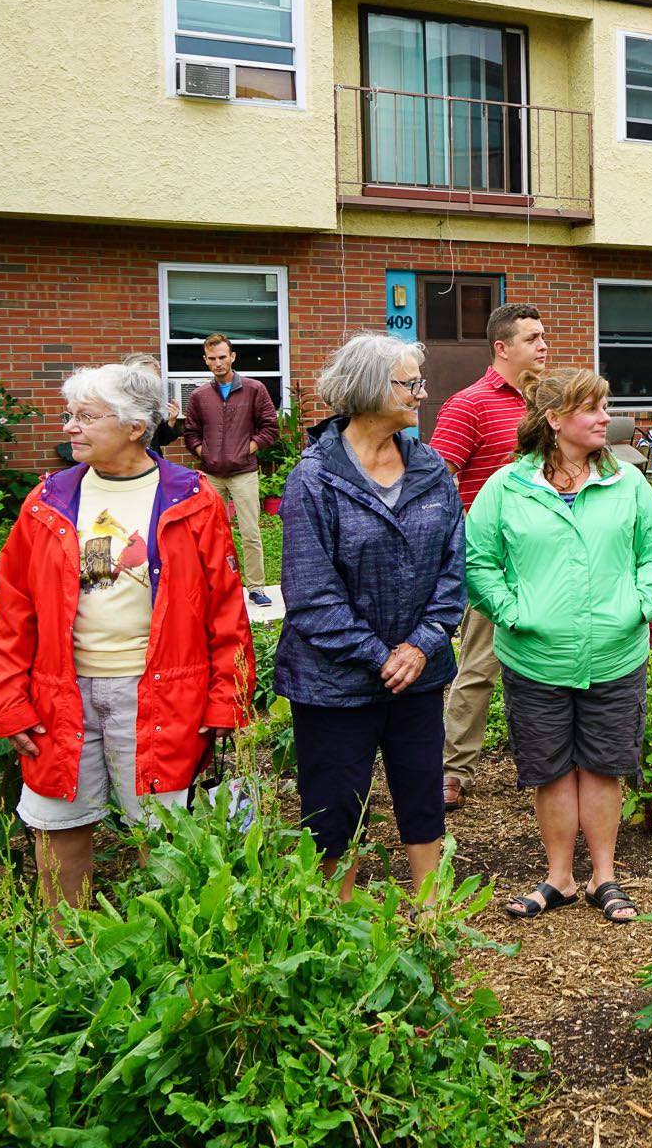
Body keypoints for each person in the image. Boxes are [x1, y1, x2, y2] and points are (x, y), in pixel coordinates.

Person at [0, 361, 252, 910]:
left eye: (86, 416)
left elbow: (225, 611)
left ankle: (169, 964)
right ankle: (67, 958)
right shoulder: (48, 501)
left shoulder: (192, 498)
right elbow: (14, 610)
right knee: (60, 828)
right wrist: (7, 700)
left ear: (134, 426)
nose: (70, 428)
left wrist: (227, 702)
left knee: (165, 837)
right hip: (63, 694)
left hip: (160, 694)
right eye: (69, 415)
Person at [465, 369, 652, 923]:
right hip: (536, 656)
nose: (606, 417)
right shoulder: (507, 486)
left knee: (606, 765)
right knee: (550, 767)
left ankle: (604, 876)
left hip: (614, 651)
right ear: (555, 419)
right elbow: (478, 561)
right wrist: (513, 613)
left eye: (606, 406)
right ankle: (559, 877)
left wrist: (640, 603)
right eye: (593, 409)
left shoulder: (627, 482)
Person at [273, 334, 464, 903]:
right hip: (334, 683)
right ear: (369, 389)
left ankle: (434, 919)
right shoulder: (314, 477)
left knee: (422, 796)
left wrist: (422, 645)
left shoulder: (431, 470)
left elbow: (455, 569)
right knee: (335, 811)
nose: (422, 394)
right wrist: (383, 656)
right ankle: (342, 931)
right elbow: (311, 594)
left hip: (419, 676)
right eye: (410, 384)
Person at [429, 302, 547, 811]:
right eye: (532, 339)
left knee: (549, 665)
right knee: (480, 664)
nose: (543, 346)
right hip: (495, 561)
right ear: (502, 347)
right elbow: (435, 482)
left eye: (544, 336)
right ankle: (453, 770)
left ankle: (549, 763)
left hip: (551, 557)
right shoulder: (469, 404)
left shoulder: (548, 404)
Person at [182, 333, 279, 608]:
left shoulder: (254, 389)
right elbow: (190, 433)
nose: (218, 362)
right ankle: (219, 587)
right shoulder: (200, 395)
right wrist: (206, 453)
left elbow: (270, 427)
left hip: (244, 473)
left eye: (222, 357)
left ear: (232, 357)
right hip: (212, 474)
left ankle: (256, 588)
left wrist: (245, 450)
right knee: (214, 536)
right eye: (212, 358)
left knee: (250, 532)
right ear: (205, 360)